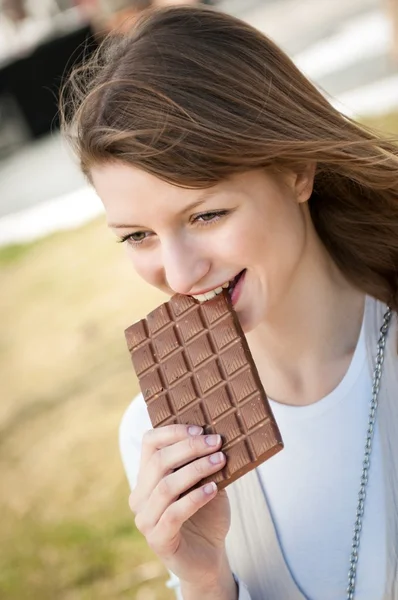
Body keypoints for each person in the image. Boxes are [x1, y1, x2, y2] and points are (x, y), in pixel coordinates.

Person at [60, 5, 398, 599]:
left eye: (206, 214)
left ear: (297, 170)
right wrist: (204, 577)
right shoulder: (158, 437)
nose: (181, 274)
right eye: (138, 235)